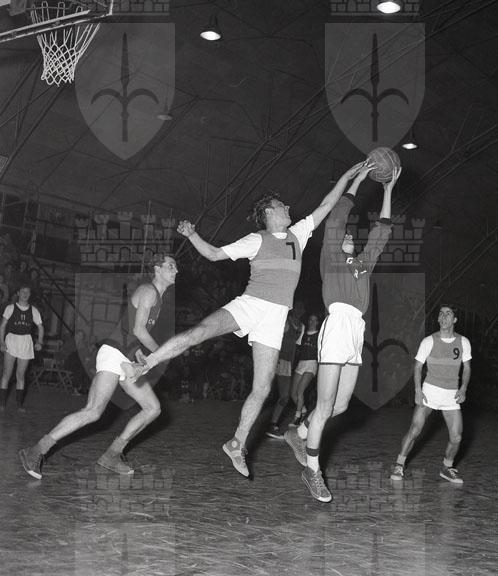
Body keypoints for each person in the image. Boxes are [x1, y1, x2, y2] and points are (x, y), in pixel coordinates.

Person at [129, 161, 372, 478]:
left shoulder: (298, 234)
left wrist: (351, 176)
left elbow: (327, 204)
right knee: (197, 333)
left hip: (275, 318)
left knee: (263, 387)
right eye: (282, 206)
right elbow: (214, 254)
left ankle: (236, 443)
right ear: (269, 212)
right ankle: (148, 363)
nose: (288, 208)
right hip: (251, 305)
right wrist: (193, 234)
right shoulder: (256, 240)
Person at [284, 165, 400, 503]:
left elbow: (382, 231)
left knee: (341, 405)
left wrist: (388, 189)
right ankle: (312, 470)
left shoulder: (364, 263)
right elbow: (337, 218)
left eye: (352, 237)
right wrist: (358, 181)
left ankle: (299, 432)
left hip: (355, 332)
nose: (348, 237)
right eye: (345, 236)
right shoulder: (331, 258)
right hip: (336, 326)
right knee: (324, 405)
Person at [18, 253, 178, 480]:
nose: (176, 270)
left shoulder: (157, 298)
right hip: (114, 354)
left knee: (153, 408)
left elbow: (130, 329)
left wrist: (139, 352)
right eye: (171, 266)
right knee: (93, 411)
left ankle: (112, 454)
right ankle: (36, 451)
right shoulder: (148, 291)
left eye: (175, 267)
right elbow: (138, 330)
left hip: (125, 356)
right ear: (157, 269)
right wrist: (162, 353)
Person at [389, 305, 472, 486]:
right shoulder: (429, 341)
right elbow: (418, 367)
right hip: (430, 392)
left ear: (455, 319)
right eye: (441, 314)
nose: (444, 317)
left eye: (448, 314)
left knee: (457, 437)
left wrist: (463, 388)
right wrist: (418, 391)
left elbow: (467, 368)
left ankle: (446, 468)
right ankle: (399, 465)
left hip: (451, 395)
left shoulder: (463, 342)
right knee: (415, 430)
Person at [0, 284, 44, 411]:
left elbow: (40, 327)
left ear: (30, 295)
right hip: (12, 340)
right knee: (7, 373)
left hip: (25, 342)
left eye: (27, 292)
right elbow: (2, 326)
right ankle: (2, 403)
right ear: (18, 293)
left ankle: (19, 404)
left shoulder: (34, 310)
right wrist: (1, 342)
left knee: (21, 375)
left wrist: (40, 341)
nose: (25, 294)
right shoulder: (10, 308)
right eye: (23, 291)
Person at [266, 306, 305, 438]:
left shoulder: (301, 327)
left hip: (287, 363)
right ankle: (269, 424)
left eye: (302, 308)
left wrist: (292, 365)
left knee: (284, 396)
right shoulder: (286, 321)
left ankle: (272, 424)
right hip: (277, 359)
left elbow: (295, 347)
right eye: (298, 307)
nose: (299, 310)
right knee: (270, 392)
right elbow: (275, 339)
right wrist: (275, 358)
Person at [289, 313, 320, 427]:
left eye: (315, 320)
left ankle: (297, 418)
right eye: (311, 319)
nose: (312, 322)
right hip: (301, 363)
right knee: (293, 394)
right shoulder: (303, 332)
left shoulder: (319, 335)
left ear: (317, 322)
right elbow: (296, 345)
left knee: (300, 391)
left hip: (312, 364)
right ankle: (303, 411)